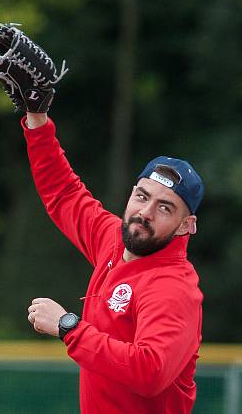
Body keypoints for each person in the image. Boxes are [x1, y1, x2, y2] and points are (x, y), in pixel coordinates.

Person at [22, 108, 205, 414]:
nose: (146, 212)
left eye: (164, 208)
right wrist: (37, 120)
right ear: (132, 194)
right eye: (143, 197)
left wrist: (69, 327)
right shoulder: (114, 240)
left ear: (186, 225)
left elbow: (151, 371)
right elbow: (64, 192)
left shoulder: (173, 287)